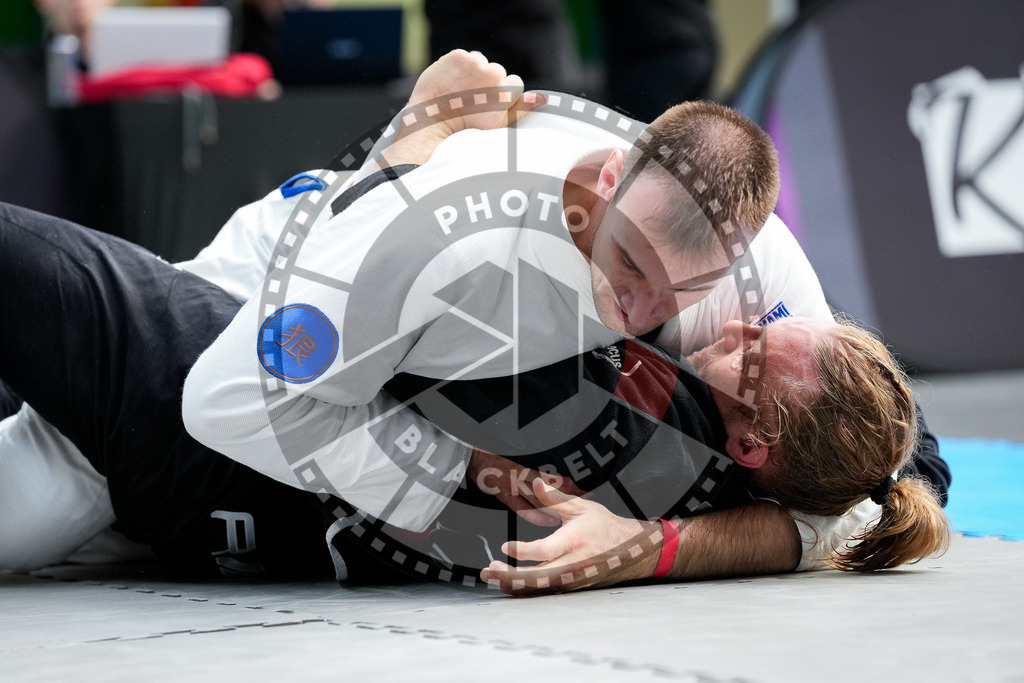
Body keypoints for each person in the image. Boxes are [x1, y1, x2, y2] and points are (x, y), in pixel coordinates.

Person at [1, 51, 948, 582]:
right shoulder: (484, 229)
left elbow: (888, 483)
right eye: (627, 267)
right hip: (242, 316)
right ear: (607, 188)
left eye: (686, 296)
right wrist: (407, 152)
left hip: (188, 470)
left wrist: (652, 550)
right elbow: (244, 381)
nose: (646, 309)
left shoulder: (752, 323)